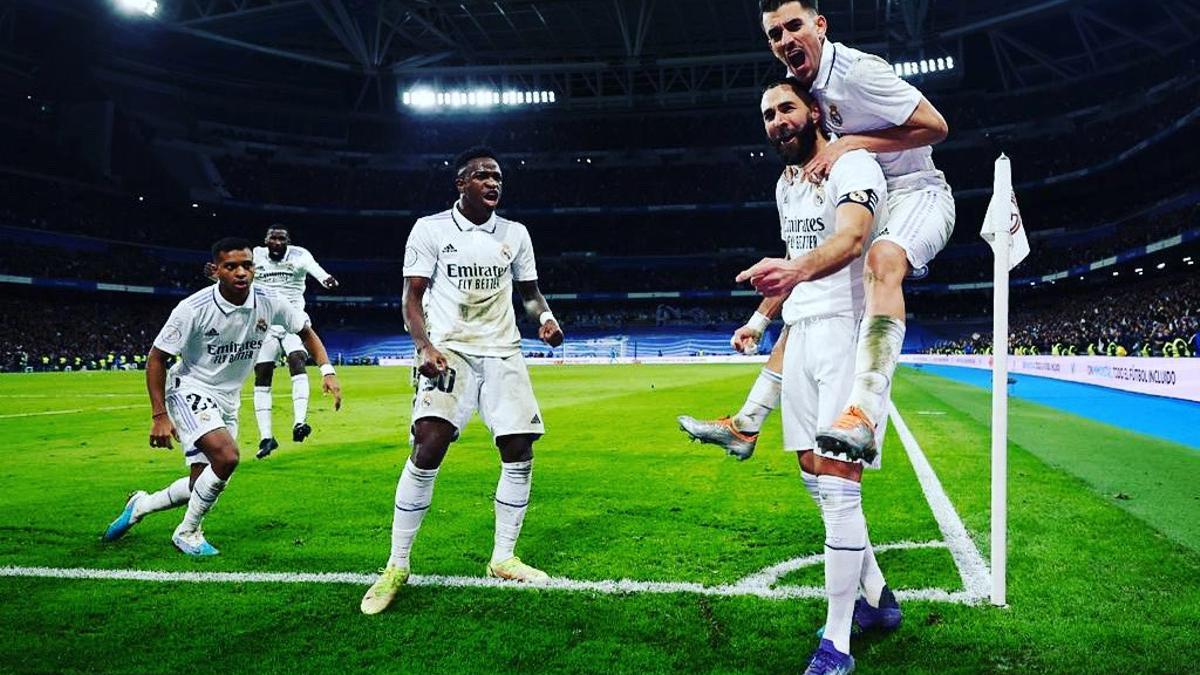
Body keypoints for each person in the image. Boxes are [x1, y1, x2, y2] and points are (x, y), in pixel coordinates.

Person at [737, 79, 899, 675]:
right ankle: (878, 600)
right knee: (814, 473)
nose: (777, 121)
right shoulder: (785, 184)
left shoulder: (852, 163)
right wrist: (760, 320)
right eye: (767, 115)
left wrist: (790, 280)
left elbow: (854, 241)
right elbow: (790, 264)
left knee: (837, 482)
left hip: (846, 333)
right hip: (801, 332)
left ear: (813, 112)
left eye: (786, 109)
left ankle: (837, 643)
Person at [360, 147, 564, 615]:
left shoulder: (515, 233)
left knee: (519, 449)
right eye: (483, 176)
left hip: (503, 350)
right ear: (461, 183)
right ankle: (396, 565)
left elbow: (530, 294)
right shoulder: (430, 229)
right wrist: (425, 346)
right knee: (429, 444)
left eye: (498, 178)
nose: (494, 183)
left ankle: (504, 557)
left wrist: (546, 319)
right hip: (449, 349)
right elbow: (412, 298)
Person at [759, 0, 956, 467]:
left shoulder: (857, 72)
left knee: (882, 260)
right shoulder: (804, 88)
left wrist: (851, 142)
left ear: (819, 25)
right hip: (875, 196)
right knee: (814, 295)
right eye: (774, 34)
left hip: (916, 191)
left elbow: (937, 127)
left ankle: (863, 411)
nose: (786, 40)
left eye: (794, 26)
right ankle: (751, 418)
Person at [101, 237, 342, 556]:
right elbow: (157, 358)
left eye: (247, 265)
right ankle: (187, 532)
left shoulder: (270, 301)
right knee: (227, 457)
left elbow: (306, 332)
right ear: (216, 271)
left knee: (201, 484)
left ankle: (141, 506)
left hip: (228, 398)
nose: (241, 272)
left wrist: (327, 371)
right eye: (231, 266)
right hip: (190, 388)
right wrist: (159, 416)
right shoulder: (192, 308)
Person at [250, 227, 340, 458]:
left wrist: (325, 279)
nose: (277, 242)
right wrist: (217, 275)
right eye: (273, 238)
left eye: (282, 239)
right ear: (266, 240)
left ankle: (300, 422)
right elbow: (240, 275)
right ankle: (266, 437)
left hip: (293, 319)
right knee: (262, 374)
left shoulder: (300, 255)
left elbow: (315, 268)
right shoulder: (256, 255)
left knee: (297, 361)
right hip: (264, 323)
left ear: (288, 242)